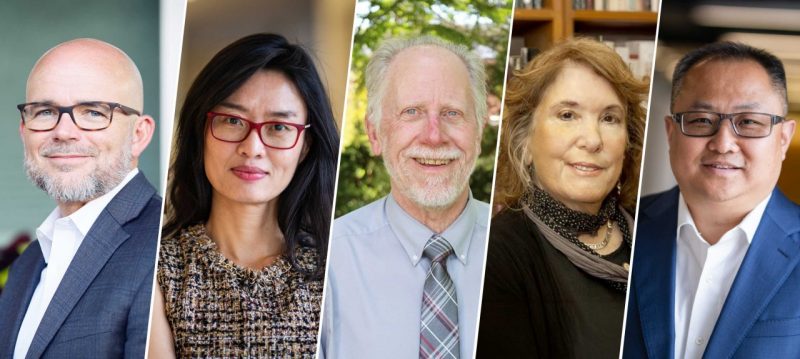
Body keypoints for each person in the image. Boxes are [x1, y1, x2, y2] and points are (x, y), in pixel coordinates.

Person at [147, 33, 339, 358]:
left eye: (279, 127)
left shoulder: (333, 269)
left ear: (305, 146)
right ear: (201, 132)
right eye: (232, 121)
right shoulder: (157, 272)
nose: (252, 148)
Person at [623, 41, 799, 358]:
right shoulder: (619, 230)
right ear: (671, 132)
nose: (723, 143)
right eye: (702, 120)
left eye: (748, 122)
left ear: (783, 138)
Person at [476, 38, 647, 358]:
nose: (592, 140)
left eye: (610, 118)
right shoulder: (495, 256)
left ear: (628, 142)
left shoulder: (657, 231)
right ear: (524, 141)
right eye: (568, 115)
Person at [320, 35, 489, 359]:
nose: (434, 135)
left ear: (479, 133)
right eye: (411, 111)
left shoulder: (513, 249)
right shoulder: (330, 262)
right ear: (374, 134)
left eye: (452, 113)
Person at [0, 39, 159, 358]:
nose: (64, 131)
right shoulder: (27, 263)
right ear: (23, 130)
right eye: (45, 112)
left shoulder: (162, 247)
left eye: (93, 112)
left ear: (138, 134)